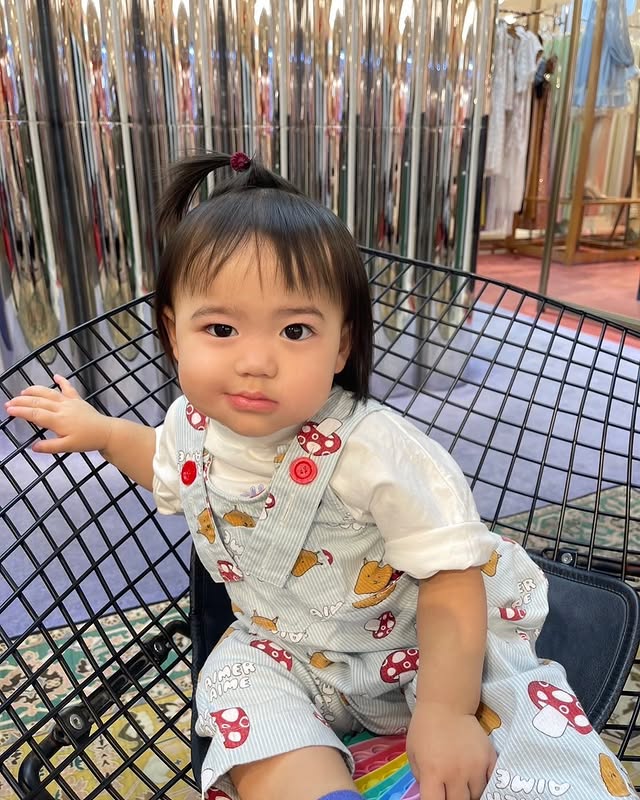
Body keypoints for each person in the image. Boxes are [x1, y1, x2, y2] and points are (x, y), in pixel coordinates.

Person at [5, 151, 637, 800]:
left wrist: (447, 711)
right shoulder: (188, 427)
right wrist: (105, 433)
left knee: (531, 727)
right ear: (172, 334)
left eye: (295, 330)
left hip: (431, 646)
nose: (256, 361)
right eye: (220, 327)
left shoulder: (375, 450)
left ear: (341, 344)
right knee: (237, 689)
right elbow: (166, 466)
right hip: (291, 650)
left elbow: (451, 579)